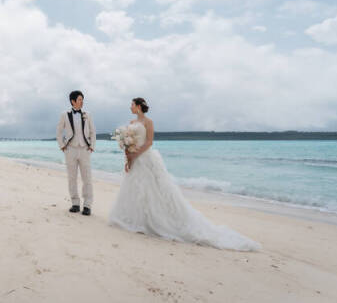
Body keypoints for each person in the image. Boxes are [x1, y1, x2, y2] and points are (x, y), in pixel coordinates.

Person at [109, 97, 260, 251]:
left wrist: (137, 154)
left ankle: (152, 222)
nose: (130, 107)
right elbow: (129, 143)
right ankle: (136, 220)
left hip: (145, 158)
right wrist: (128, 158)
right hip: (134, 159)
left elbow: (149, 142)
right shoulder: (132, 123)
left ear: (139, 106)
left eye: (132, 105)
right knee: (135, 189)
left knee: (152, 190)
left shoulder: (149, 122)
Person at [56, 90, 95, 215]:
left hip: (84, 149)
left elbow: (93, 132)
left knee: (87, 178)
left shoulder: (87, 114)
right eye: (79, 99)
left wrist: (92, 146)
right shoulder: (64, 114)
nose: (82, 101)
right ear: (73, 101)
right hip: (70, 149)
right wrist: (62, 146)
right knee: (72, 178)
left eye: (82, 99)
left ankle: (87, 205)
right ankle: (75, 203)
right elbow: (59, 131)